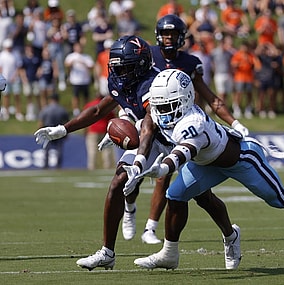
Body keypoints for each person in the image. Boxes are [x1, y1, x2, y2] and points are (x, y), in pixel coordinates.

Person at [34, 35, 241, 271]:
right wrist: (63, 129)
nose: (119, 73)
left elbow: (149, 126)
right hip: (150, 138)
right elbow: (100, 110)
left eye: (125, 67)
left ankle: (230, 235)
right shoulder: (123, 79)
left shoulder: (151, 84)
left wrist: (140, 161)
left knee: (202, 196)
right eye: (116, 67)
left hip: (179, 137)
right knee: (118, 182)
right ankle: (107, 252)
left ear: (141, 64)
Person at [129, 69, 284, 270]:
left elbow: (184, 151)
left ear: (185, 99)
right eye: (160, 106)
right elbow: (147, 130)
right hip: (206, 164)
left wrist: (163, 168)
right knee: (175, 196)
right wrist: (137, 161)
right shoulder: (159, 111)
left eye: (169, 105)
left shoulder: (193, 121)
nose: (163, 112)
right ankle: (170, 253)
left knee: (279, 198)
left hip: (240, 159)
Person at [132, 14, 249, 245]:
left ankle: (229, 234)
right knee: (148, 173)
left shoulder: (190, 62)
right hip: (154, 123)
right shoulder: (149, 56)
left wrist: (235, 123)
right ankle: (149, 226)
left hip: (183, 127)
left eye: (173, 34)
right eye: (165, 33)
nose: (168, 38)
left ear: (182, 37)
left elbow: (211, 98)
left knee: (201, 195)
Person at [83, 94, 116, 170]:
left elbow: (85, 119)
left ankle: (91, 167)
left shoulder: (89, 105)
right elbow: (113, 119)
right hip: (105, 130)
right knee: (107, 151)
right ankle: (108, 167)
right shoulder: (108, 106)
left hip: (93, 130)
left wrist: (85, 131)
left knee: (92, 151)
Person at [37, 93, 69, 168]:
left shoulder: (46, 109)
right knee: (59, 150)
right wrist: (67, 133)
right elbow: (67, 121)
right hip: (59, 131)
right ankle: (58, 166)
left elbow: (41, 122)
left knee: (46, 150)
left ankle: (46, 165)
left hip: (48, 131)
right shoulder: (62, 109)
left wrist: (40, 130)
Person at [64, 42, 95, 116]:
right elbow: (66, 64)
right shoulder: (71, 56)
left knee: (86, 96)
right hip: (75, 80)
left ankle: (86, 109)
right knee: (75, 96)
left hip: (85, 80)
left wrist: (83, 63)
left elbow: (91, 66)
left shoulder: (86, 57)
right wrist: (72, 63)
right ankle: (76, 110)